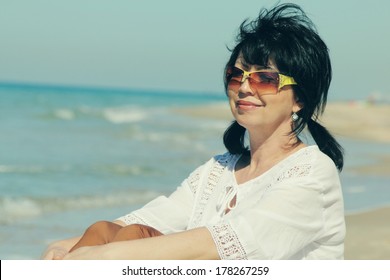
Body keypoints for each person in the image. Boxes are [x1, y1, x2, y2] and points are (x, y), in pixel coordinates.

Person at [42, 3, 345, 260]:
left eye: (264, 79)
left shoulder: (312, 173)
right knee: (104, 230)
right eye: (236, 75)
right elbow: (158, 216)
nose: (243, 88)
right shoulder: (218, 170)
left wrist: (104, 257)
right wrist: (64, 247)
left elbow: (231, 242)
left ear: (300, 98)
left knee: (127, 242)